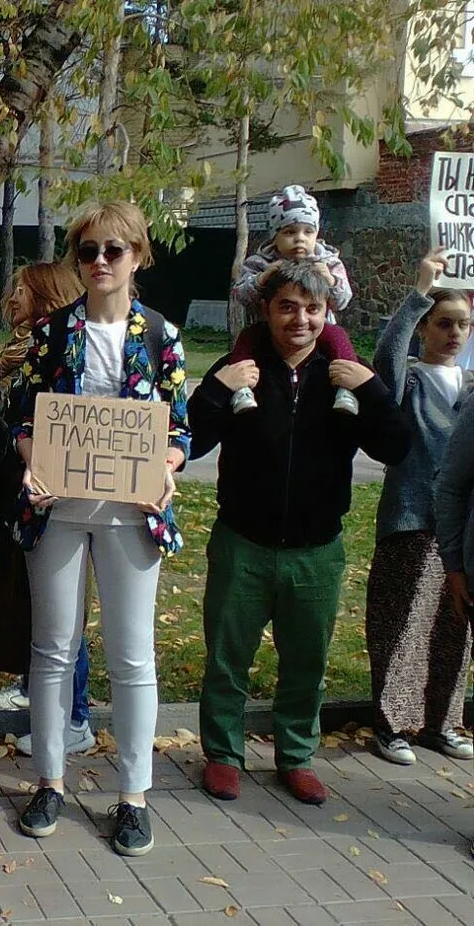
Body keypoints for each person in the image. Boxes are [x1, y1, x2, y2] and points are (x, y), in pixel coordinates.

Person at [191, 260, 410, 806]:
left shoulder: (345, 377)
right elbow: (189, 442)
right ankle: (222, 754)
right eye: (287, 306)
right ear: (266, 310)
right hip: (243, 541)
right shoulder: (240, 366)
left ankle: (296, 755)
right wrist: (218, 389)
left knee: (306, 662)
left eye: (313, 309)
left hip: (317, 551)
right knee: (226, 657)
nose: (300, 319)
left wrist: (375, 390)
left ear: (327, 313)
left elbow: (397, 448)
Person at [10, 201, 189, 857]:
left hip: (131, 509)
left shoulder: (159, 335)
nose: (101, 262)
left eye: (114, 250)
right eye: (87, 251)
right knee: (52, 649)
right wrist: (33, 463)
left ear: (138, 255)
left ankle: (133, 794)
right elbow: (21, 417)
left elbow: (179, 429)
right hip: (58, 506)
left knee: (131, 654)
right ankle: (49, 780)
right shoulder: (54, 332)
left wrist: (166, 465)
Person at [0, 264, 96, 759]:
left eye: (21, 290)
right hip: (18, 491)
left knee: (60, 610)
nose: (11, 298)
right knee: (30, 601)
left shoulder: (56, 354)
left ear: (47, 296)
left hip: (52, 494)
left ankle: (75, 716)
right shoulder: (18, 352)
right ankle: (35, 689)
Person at [366, 250, 474, 766]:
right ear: (426, 327)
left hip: (463, 530)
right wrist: (418, 293)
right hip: (413, 518)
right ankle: (391, 724)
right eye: (443, 323)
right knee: (404, 622)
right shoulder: (408, 380)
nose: (454, 334)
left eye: (463, 325)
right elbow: (384, 358)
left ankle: (441, 721)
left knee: (457, 626)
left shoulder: (471, 388)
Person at [229, 184, 358, 415]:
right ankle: (242, 388)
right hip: (270, 329)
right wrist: (261, 279)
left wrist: (330, 281)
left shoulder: (328, 262)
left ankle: (346, 389)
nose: (300, 239)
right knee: (247, 339)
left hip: (320, 328)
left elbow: (343, 300)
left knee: (339, 337)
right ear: (275, 235)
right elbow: (240, 295)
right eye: (290, 232)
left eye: (308, 232)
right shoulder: (260, 263)